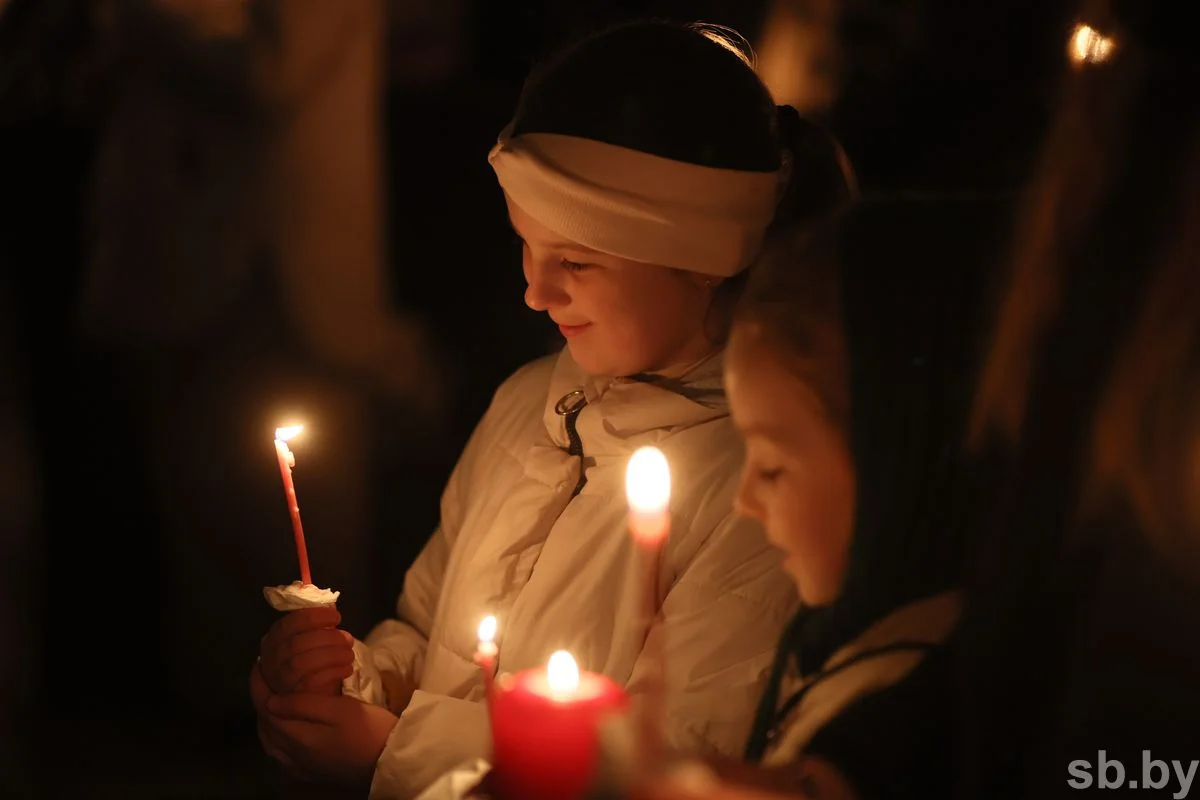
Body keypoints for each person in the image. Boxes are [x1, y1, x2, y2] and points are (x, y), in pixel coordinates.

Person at [250, 19, 856, 799]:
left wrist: (398, 753)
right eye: (525, 247)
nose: (536, 292)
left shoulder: (761, 484)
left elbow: (678, 759)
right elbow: (425, 631)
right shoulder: (524, 405)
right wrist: (349, 682)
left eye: (576, 261)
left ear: (706, 258)